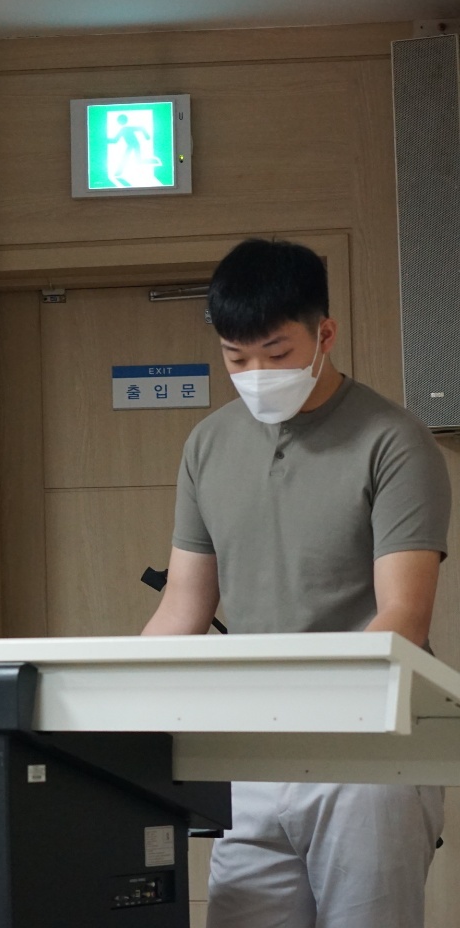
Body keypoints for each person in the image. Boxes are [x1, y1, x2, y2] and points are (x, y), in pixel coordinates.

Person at [142, 238, 450, 928]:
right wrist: (118, 704)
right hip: (253, 748)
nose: (256, 374)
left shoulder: (393, 441)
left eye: (276, 354)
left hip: (370, 756)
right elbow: (182, 608)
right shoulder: (208, 445)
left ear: (325, 335)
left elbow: (404, 617)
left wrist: (315, 707)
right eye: (236, 358)